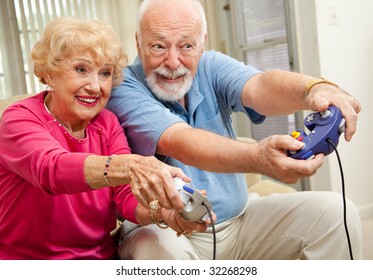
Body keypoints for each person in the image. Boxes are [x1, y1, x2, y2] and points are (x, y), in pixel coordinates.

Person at [106, 0, 364, 260]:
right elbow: (181, 141)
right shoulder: (122, 87)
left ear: (202, 42)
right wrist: (259, 159)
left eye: (186, 46)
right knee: (158, 254)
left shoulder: (210, 65)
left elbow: (261, 86)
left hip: (240, 221)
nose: (173, 62)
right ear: (138, 43)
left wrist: (315, 89)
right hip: (165, 230)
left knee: (336, 213)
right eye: (159, 46)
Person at [0, 16, 211, 260]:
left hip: (98, 260)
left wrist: (162, 213)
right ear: (48, 74)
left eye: (105, 73)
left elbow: (124, 197)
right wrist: (134, 165)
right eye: (80, 69)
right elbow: (52, 169)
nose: (94, 86)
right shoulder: (20, 118)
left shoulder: (107, 122)